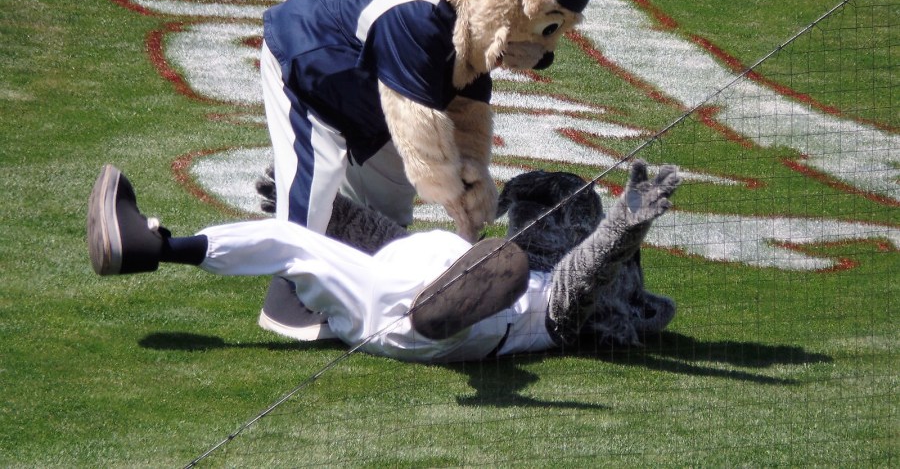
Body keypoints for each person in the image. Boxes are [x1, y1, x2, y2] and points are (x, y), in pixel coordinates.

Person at [257, 0, 599, 339]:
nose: (543, 52)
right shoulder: (417, 18)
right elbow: (418, 126)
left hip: (370, 89)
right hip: (307, 61)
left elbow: (466, 113)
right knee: (315, 180)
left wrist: (472, 178)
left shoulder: (470, 33)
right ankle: (288, 298)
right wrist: (453, 195)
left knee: (386, 206)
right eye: (548, 28)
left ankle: (360, 285)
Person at [86, 160, 679, 363]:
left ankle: (160, 249)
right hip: (390, 295)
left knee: (296, 248)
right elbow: (383, 237)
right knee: (297, 240)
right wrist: (334, 212)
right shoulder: (526, 271)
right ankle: (150, 245)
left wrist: (624, 226)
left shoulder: (563, 309)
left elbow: (584, 276)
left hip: (458, 316)